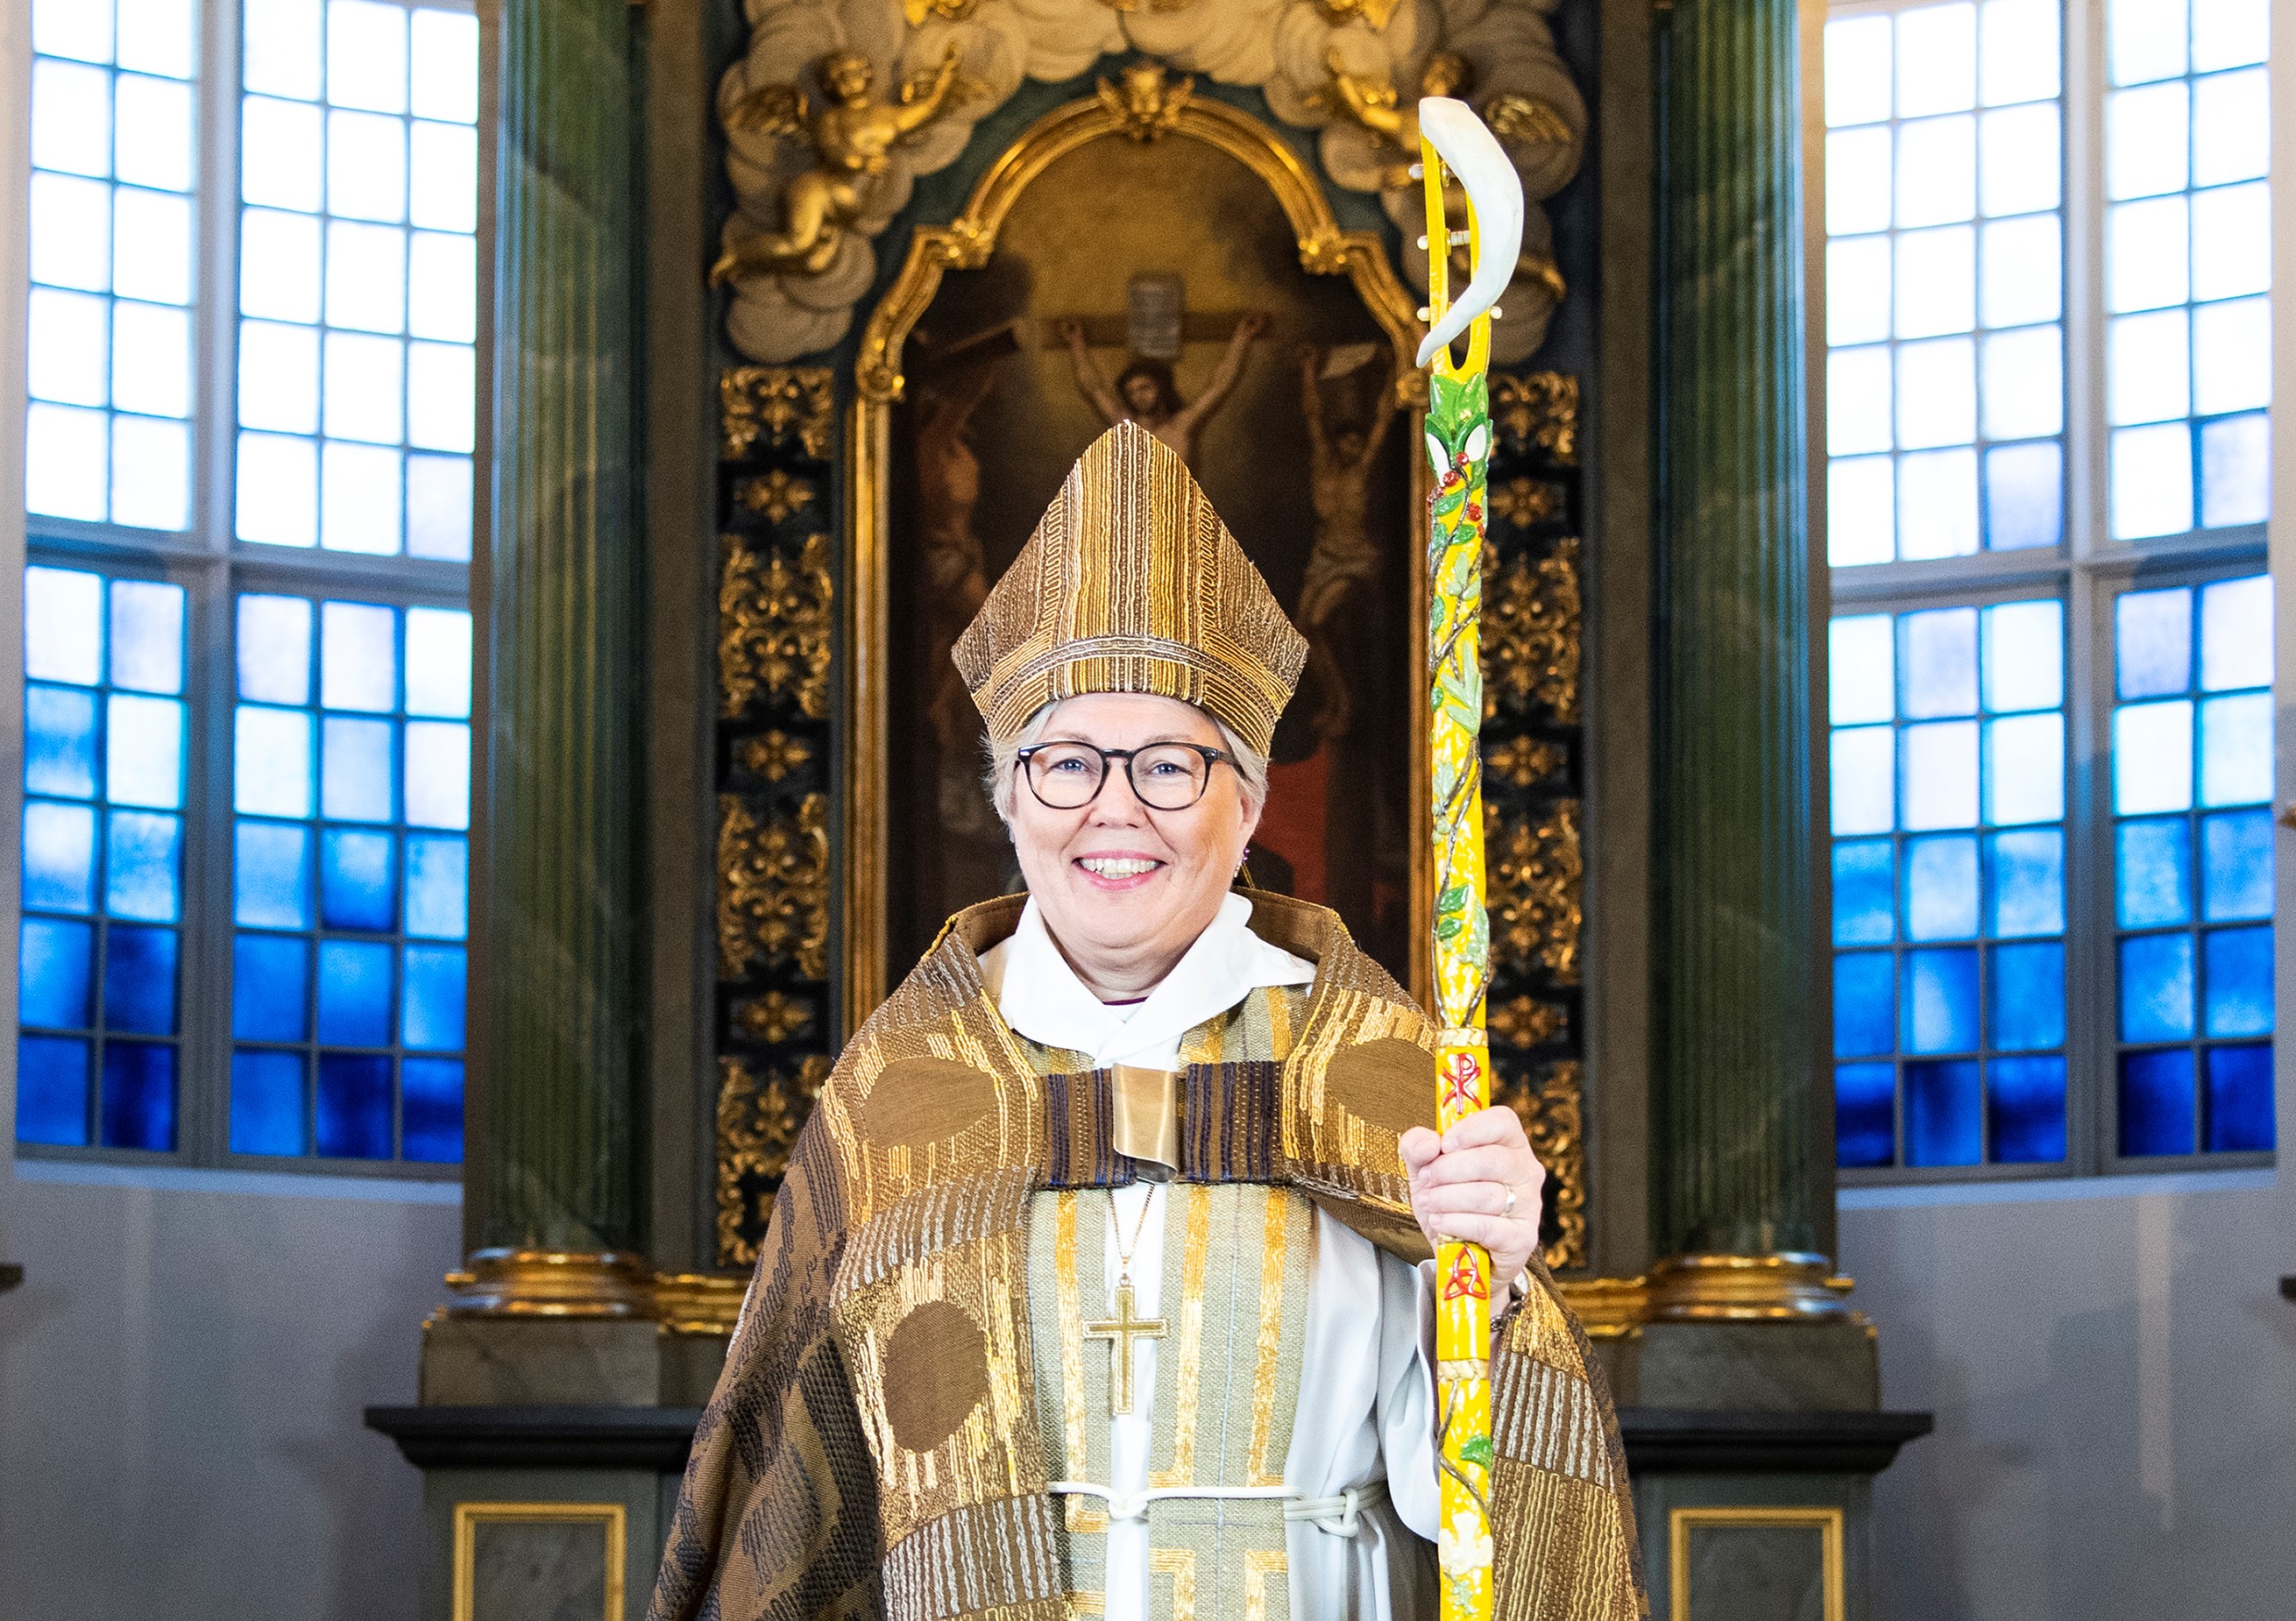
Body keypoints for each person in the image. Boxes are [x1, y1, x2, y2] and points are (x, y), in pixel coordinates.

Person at [651, 423, 1641, 1621]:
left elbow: (1482, 1503)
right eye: (1066, 762)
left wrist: (1490, 1286)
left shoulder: (1382, 1070)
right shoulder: (901, 1090)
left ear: (1249, 799)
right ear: (1009, 796)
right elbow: (800, 1495)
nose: (1114, 809)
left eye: (1169, 765)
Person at [1059, 312, 1265, 467]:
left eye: (1145, 387)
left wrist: (1243, 337)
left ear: (1160, 388)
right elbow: (1092, 388)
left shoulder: (1181, 426)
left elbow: (1220, 384)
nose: (1138, 396)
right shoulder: (1124, 426)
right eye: (1132, 392)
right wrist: (1076, 342)